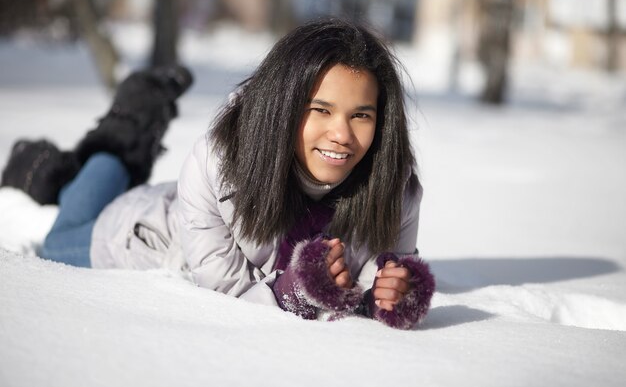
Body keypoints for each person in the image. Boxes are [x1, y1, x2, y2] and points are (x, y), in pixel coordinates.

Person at [1, 19, 435, 330]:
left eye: (361, 115)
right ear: (282, 107)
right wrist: (297, 290)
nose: (341, 135)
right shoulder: (216, 164)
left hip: (185, 205)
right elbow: (224, 293)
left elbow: (380, 272)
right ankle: (125, 130)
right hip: (151, 238)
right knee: (61, 238)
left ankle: (58, 172)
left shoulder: (395, 188)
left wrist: (393, 294)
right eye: (320, 110)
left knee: (63, 190)